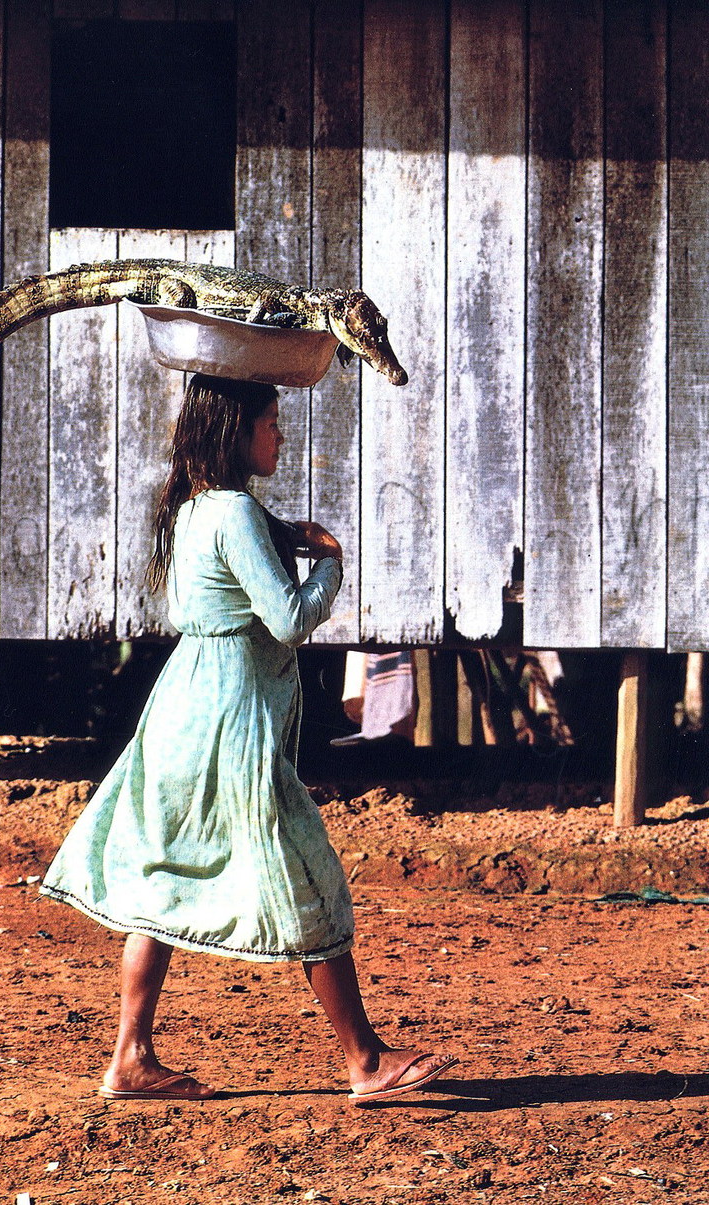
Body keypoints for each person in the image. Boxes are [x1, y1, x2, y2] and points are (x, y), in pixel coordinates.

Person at [40, 373, 456, 1104]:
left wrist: (286, 535)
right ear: (236, 430)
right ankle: (364, 1059)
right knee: (309, 872)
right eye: (270, 422)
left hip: (185, 711)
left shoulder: (198, 508)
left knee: (162, 882)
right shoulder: (232, 512)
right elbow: (291, 619)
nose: (280, 434)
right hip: (230, 725)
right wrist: (327, 559)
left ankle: (130, 1057)